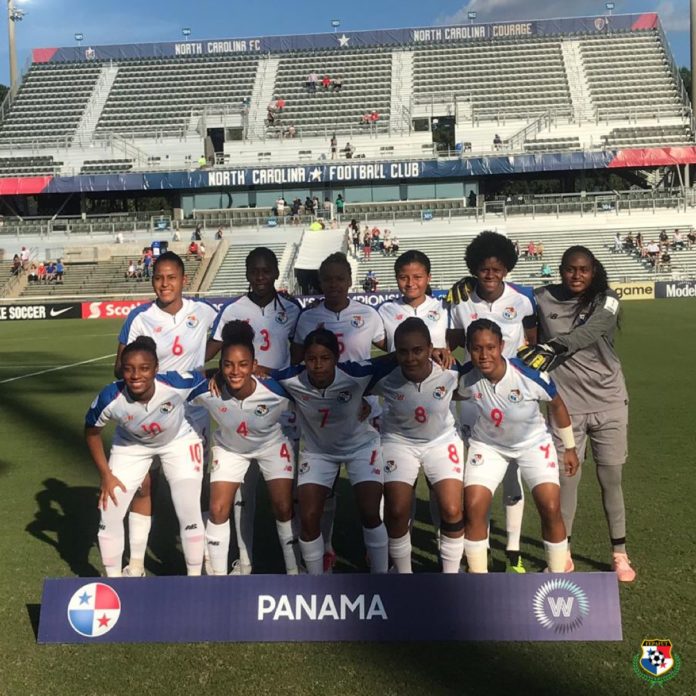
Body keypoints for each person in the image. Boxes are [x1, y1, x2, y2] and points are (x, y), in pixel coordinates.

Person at [518, 246, 635, 581]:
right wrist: (470, 285)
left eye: (583, 269)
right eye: (570, 269)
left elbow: (591, 330)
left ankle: (619, 554)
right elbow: (506, 301)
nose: (577, 275)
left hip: (609, 401)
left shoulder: (606, 299)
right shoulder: (541, 298)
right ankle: (563, 555)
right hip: (566, 407)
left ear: (593, 271)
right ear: (561, 270)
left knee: (610, 479)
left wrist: (554, 346)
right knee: (565, 481)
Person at [114, 251, 218, 576]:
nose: (165, 283)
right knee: (145, 484)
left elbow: (230, 339)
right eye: (159, 277)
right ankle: (136, 563)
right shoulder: (139, 317)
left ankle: (205, 557)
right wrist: (149, 379)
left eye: (171, 277)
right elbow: (119, 366)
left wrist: (202, 364)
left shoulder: (204, 311)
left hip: (192, 415)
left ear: (184, 280)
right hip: (150, 415)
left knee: (197, 487)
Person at [207, 247, 301, 574]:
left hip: (281, 411)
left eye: (266, 271)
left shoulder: (292, 309)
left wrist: (273, 376)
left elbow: (299, 363)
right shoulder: (233, 309)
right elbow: (209, 353)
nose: (260, 277)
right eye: (254, 271)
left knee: (287, 497)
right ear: (247, 274)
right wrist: (216, 373)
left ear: (275, 272)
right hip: (240, 410)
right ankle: (244, 561)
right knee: (241, 494)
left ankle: (296, 565)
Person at [447, 231, 537, 572]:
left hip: (514, 397)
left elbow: (533, 344)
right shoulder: (460, 300)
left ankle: (513, 549)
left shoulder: (523, 299)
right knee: (476, 476)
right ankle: (479, 548)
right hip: (473, 396)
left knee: (513, 470)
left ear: (506, 268)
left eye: (497, 268)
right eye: (483, 268)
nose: (490, 274)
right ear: (474, 268)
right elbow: (451, 343)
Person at [459, 319, 579, 573]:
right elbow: (444, 390)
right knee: (474, 507)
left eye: (491, 347)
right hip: (488, 446)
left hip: (533, 444)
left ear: (502, 346)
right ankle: (478, 581)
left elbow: (557, 405)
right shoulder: (465, 376)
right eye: (477, 348)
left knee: (550, 507)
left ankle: (557, 576)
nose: (484, 355)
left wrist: (569, 447)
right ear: (468, 349)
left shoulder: (529, 374)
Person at [291, 252, 387, 570]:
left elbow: (392, 355)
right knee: (322, 497)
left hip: (361, 414)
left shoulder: (369, 315)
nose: (334, 284)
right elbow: (296, 367)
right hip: (322, 418)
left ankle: (379, 563)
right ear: (320, 282)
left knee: (370, 503)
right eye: (328, 279)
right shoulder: (308, 318)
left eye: (339, 278)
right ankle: (326, 550)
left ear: (349, 281)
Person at [86, 336, 207, 577]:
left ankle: (195, 581)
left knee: (187, 505)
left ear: (156, 369)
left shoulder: (175, 383)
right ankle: (117, 582)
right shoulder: (110, 397)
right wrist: (106, 474)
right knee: (110, 510)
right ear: (121, 370)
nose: (135, 375)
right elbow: (91, 432)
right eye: (128, 369)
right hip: (131, 446)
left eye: (144, 368)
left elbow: (209, 378)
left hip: (178, 442)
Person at [273, 329, 388, 574]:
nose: (318, 365)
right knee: (308, 517)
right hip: (318, 453)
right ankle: (316, 582)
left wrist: (435, 351)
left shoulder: (355, 374)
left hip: (360, 448)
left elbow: (393, 359)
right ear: (304, 360)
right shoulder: (292, 378)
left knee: (370, 511)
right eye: (311, 359)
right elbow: (261, 375)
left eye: (325, 358)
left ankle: (382, 578)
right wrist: (214, 374)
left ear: (336, 358)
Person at [190, 321, 298, 575]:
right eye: (228, 365)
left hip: (271, 446)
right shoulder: (208, 389)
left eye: (243, 365)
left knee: (283, 507)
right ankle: (218, 580)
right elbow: (173, 385)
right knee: (218, 509)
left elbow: (310, 393)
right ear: (220, 366)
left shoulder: (275, 389)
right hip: (230, 449)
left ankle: (295, 573)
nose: (235, 371)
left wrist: (362, 404)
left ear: (254, 365)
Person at [369, 318, 465, 573]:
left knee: (452, 509)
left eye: (418, 350)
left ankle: (451, 576)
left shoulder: (451, 370)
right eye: (403, 352)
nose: (410, 358)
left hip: (441, 441)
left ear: (430, 348)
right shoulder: (383, 374)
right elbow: (348, 378)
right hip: (398, 442)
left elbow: (477, 382)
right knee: (397, 510)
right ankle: (404, 576)